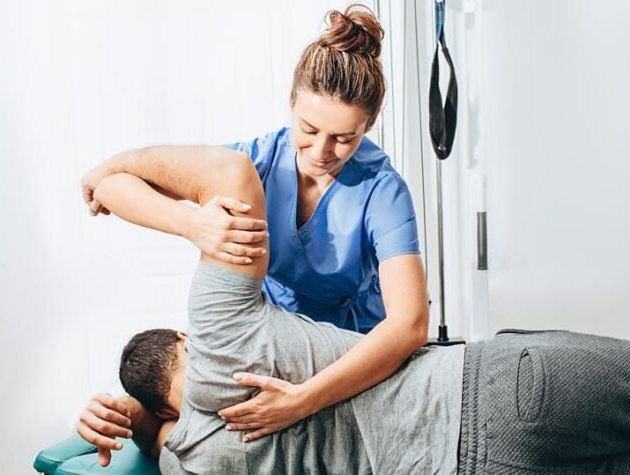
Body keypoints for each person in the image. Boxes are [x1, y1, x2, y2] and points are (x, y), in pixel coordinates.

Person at [78, 151, 630, 474]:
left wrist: (136, 418)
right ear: (186, 334)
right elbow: (227, 173)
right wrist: (169, 209)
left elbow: (160, 441)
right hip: (490, 394)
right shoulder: (220, 333)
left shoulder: (194, 461)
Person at [80, 5, 429, 447]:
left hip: (351, 356)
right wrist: (192, 224)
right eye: (309, 128)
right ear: (291, 103)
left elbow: (410, 324)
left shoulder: (383, 190)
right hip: (271, 345)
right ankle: (126, 415)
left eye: (344, 138)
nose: (321, 150)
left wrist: (303, 401)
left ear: (370, 125)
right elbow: (112, 188)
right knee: (205, 427)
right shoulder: (256, 163)